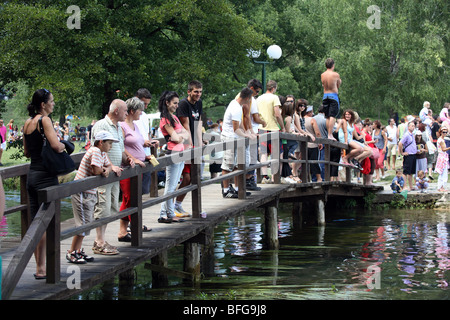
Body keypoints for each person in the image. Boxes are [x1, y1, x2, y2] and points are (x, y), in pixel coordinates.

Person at [23, 89, 66, 279]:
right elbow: (56, 146)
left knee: (35, 223)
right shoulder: (44, 120)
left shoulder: (27, 123)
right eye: (52, 101)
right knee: (47, 222)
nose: (53, 104)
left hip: (32, 175)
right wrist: (64, 145)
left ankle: (39, 268)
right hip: (46, 177)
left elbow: (26, 153)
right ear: (43, 104)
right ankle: (43, 269)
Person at [90, 99, 133, 255]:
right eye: (125, 110)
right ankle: (98, 242)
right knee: (102, 207)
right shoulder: (101, 125)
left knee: (110, 208)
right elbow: (98, 149)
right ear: (116, 111)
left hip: (114, 175)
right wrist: (109, 166)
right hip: (103, 175)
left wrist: (127, 159)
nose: (127, 113)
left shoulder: (118, 127)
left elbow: (119, 150)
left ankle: (101, 240)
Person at [68, 131, 118, 263]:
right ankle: (72, 253)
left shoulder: (102, 152)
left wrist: (107, 169)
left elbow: (108, 166)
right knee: (82, 224)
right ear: (101, 142)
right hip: (82, 192)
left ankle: (78, 251)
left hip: (89, 192)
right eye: (109, 143)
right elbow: (96, 170)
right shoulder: (95, 151)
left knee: (87, 223)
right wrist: (105, 170)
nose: (111, 146)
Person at [118, 97, 151, 241]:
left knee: (128, 200)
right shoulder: (122, 126)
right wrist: (135, 158)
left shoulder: (135, 125)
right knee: (130, 198)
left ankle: (123, 231)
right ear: (132, 111)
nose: (141, 113)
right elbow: (121, 147)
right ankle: (135, 225)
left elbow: (136, 144)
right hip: (128, 167)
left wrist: (145, 155)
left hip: (138, 168)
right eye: (140, 110)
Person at [158, 91, 192, 222]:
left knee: (173, 185)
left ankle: (164, 213)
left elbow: (186, 134)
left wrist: (181, 137)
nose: (177, 106)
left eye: (178, 103)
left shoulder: (175, 118)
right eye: (174, 103)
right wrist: (181, 137)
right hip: (173, 153)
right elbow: (176, 137)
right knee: (170, 186)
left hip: (180, 153)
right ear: (167, 103)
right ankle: (168, 214)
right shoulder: (165, 119)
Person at [174, 80, 203, 217]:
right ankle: (175, 204)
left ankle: (178, 204)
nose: (198, 94)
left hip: (194, 143)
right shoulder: (183, 104)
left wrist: (200, 142)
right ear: (189, 92)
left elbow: (198, 123)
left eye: (200, 91)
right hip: (184, 143)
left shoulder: (199, 103)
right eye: (195, 91)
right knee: (186, 177)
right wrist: (191, 145)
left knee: (193, 176)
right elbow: (185, 125)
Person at [221, 87, 255, 197]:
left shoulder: (236, 104)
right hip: (229, 138)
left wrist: (247, 132)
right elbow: (235, 129)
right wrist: (246, 135)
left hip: (235, 138)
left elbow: (239, 124)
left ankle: (237, 188)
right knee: (227, 165)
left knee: (237, 165)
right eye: (250, 99)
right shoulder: (236, 108)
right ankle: (225, 190)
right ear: (247, 98)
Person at [257, 80, 285, 183]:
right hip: (273, 128)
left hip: (261, 128)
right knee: (277, 153)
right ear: (273, 88)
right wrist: (282, 127)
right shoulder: (274, 97)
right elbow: (277, 114)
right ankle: (274, 177)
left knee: (263, 153)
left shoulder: (259, 98)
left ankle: (265, 177)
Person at [134, 88, 159, 195]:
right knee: (136, 191)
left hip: (147, 155)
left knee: (145, 189)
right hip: (136, 155)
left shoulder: (144, 115)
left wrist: (151, 141)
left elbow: (146, 133)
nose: (146, 107)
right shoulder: (130, 116)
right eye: (144, 104)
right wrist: (142, 142)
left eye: (147, 104)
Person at [321, 58, 342, 141]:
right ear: (333, 65)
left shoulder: (322, 75)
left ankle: (327, 134)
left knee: (327, 116)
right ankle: (330, 134)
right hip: (333, 96)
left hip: (325, 95)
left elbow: (323, 85)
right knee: (332, 115)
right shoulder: (336, 75)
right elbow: (338, 85)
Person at [304, 105, 323, 182]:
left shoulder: (300, 119)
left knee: (304, 163)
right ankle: (319, 178)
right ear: (309, 112)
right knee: (314, 162)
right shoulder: (312, 120)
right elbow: (317, 132)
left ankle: (306, 179)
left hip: (303, 145)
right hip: (312, 144)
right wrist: (320, 142)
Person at [398, 121, 417, 191]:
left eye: (414, 126)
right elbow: (400, 143)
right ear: (408, 127)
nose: (413, 127)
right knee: (406, 171)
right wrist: (402, 152)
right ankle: (405, 186)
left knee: (411, 172)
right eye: (411, 126)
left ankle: (411, 186)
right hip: (408, 155)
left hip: (413, 154)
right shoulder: (406, 135)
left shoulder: (412, 135)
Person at [435, 127, 450, 192]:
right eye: (443, 132)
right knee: (443, 172)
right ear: (441, 132)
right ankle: (441, 187)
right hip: (442, 156)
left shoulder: (442, 139)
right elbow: (443, 149)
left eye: (446, 132)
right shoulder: (441, 140)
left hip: (443, 156)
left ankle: (441, 186)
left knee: (443, 172)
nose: (445, 133)